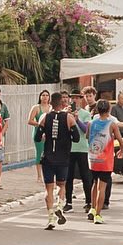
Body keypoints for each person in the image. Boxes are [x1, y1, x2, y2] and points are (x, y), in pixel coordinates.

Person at [39, 92, 79, 230]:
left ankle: (51, 218)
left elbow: (37, 137)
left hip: (48, 157)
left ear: (50, 103)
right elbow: (76, 138)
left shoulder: (45, 117)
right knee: (61, 185)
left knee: (48, 188)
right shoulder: (69, 118)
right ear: (62, 103)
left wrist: (46, 135)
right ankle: (60, 206)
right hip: (63, 157)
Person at [87, 99, 123, 224]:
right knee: (102, 188)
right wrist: (121, 150)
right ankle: (98, 214)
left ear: (97, 109)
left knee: (94, 183)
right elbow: (121, 140)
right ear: (109, 110)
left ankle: (92, 208)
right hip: (105, 160)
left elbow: (87, 136)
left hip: (93, 158)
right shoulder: (112, 124)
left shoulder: (91, 123)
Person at [65, 89, 93, 214]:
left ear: (81, 99)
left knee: (85, 176)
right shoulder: (65, 113)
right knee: (68, 176)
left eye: (77, 98)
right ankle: (68, 202)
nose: (75, 100)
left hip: (82, 148)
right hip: (69, 148)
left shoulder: (85, 114)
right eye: (73, 98)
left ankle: (88, 202)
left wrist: (77, 120)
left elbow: (86, 130)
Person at [27, 89, 52, 184]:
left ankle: (48, 174)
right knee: (40, 153)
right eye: (43, 95)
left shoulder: (51, 107)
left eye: (47, 95)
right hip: (39, 132)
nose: (45, 97)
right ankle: (39, 176)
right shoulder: (36, 108)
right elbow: (30, 120)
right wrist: (40, 124)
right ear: (40, 97)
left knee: (49, 153)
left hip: (49, 133)